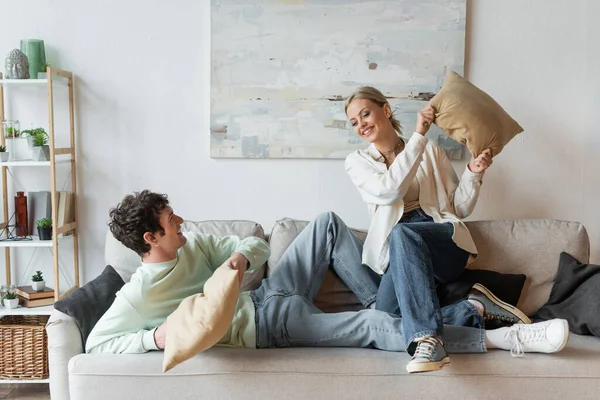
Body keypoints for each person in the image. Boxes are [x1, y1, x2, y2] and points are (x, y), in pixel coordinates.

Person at [87, 191, 568, 373]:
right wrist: (154, 337)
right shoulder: (137, 296)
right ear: (151, 239)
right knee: (373, 329)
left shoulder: (193, 245)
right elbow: (97, 343)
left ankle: (378, 301)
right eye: (172, 221)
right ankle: (506, 337)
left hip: (272, 291)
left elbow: (253, 249)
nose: (183, 222)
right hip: (271, 329)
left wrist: (239, 256)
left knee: (327, 223)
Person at [344, 86, 568, 372]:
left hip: (441, 239)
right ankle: (474, 307)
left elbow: (457, 208)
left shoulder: (430, 150)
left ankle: (429, 340)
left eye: (365, 114)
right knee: (385, 318)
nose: (361, 124)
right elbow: (389, 192)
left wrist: (474, 173)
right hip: (399, 250)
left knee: (404, 233)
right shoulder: (357, 162)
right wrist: (418, 138)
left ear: (385, 110)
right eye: (354, 122)